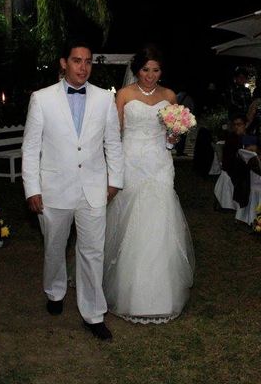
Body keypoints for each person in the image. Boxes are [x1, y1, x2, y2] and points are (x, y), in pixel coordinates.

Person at [22, 40, 124, 341]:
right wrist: (32, 189)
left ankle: (93, 314)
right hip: (54, 189)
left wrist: (114, 180)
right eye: (77, 61)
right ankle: (55, 291)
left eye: (88, 61)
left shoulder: (105, 98)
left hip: (93, 189)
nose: (83, 67)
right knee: (55, 246)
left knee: (92, 251)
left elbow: (112, 143)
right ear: (64, 63)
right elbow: (31, 148)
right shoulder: (41, 99)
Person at [104, 44, 195, 324]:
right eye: (146, 69)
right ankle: (131, 291)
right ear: (137, 70)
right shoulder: (124, 95)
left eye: (155, 70)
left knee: (160, 217)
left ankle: (161, 294)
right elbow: (115, 133)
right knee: (133, 220)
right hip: (131, 161)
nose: (150, 75)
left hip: (159, 162)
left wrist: (173, 137)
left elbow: (171, 134)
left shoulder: (169, 95)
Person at [175, 89, 195, 156]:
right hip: (185, 119)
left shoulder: (176, 96)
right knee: (183, 136)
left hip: (177, 118)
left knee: (177, 134)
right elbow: (191, 108)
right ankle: (180, 150)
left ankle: (177, 149)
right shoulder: (189, 98)